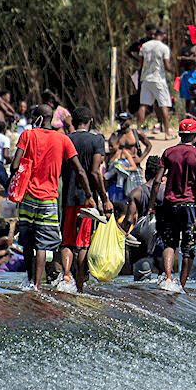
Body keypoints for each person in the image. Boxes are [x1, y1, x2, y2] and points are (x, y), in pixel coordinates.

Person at [11, 105, 94, 289]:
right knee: (42, 244)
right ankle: (37, 285)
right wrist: (88, 195)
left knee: (27, 241)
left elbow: (15, 165)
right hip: (49, 199)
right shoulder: (63, 139)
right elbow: (79, 170)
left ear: (39, 118)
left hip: (27, 197)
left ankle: (29, 278)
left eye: (34, 117)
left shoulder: (28, 135)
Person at [148, 118, 196, 290]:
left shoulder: (168, 152)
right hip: (189, 207)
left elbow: (156, 181)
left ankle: (169, 279)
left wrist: (151, 205)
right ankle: (182, 286)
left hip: (169, 205)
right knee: (188, 248)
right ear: (195, 136)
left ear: (179, 134)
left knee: (170, 244)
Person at [60, 107, 112, 291]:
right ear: (90, 120)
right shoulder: (97, 140)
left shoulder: (66, 140)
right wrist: (104, 199)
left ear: (74, 121)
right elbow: (95, 171)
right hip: (86, 200)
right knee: (82, 243)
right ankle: (80, 286)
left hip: (67, 197)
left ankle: (66, 276)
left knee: (67, 241)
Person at [136, 28, 174, 138]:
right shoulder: (164, 48)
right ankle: (167, 132)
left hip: (146, 78)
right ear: (162, 35)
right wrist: (173, 70)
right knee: (164, 105)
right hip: (158, 79)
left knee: (143, 104)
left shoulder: (145, 46)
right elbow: (166, 66)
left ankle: (139, 130)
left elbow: (141, 63)